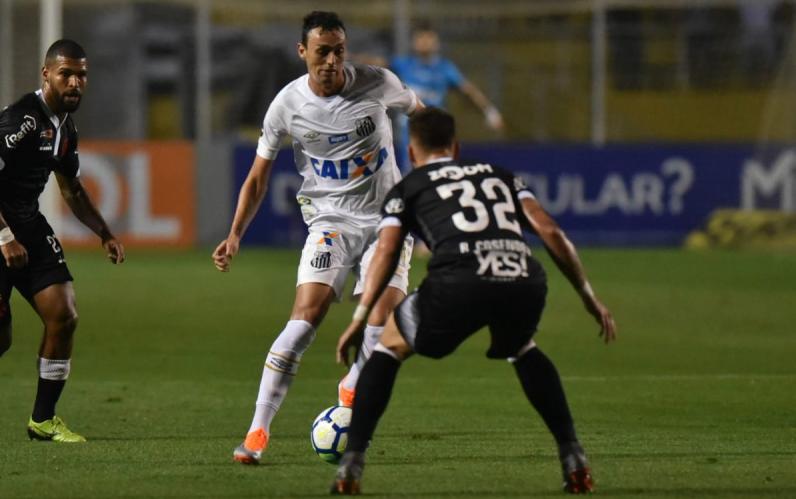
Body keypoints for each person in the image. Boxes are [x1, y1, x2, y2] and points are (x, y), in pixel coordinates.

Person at [330, 107, 617, 495]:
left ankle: (351, 464)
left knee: (389, 345)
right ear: (457, 146)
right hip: (522, 277)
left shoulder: (409, 188)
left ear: (412, 153)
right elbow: (551, 231)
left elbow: (386, 253)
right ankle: (573, 456)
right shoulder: (501, 175)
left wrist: (360, 317)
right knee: (522, 346)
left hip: (459, 281)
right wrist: (589, 297)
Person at [212, 11, 423, 465]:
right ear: (302, 52)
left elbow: (424, 121)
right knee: (303, 320)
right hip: (330, 223)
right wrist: (234, 235)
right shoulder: (287, 105)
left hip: (388, 220)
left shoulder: (378, 82)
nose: (331, 60)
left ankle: (352, 385)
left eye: (338, 51)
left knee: (379, 320)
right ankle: (256, 433)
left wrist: (426, 181)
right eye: (321, 51)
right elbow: (256, 179)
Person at [0, 39, 126, 443]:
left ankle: (43, 420)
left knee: (64, 314)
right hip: (1, 229)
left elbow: (71, 189)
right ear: (46, 75)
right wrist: (3, 236)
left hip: (28, 227)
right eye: (66, 74)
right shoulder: (21, 120)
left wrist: (103, 231)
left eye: (81, 75)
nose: (75, 82)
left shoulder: (64, 129)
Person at [388, 26, 504, 170]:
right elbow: (377, 68)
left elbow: (467, 91)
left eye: (428, 39)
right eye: (420, 38)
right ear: (414, 43)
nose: (424, 42)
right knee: (414, 173)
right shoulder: (402, 64)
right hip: (411, 129)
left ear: (436, 43)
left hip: (438, 129)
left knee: (441, 172)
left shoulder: (445, 68)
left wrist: (489, 111)